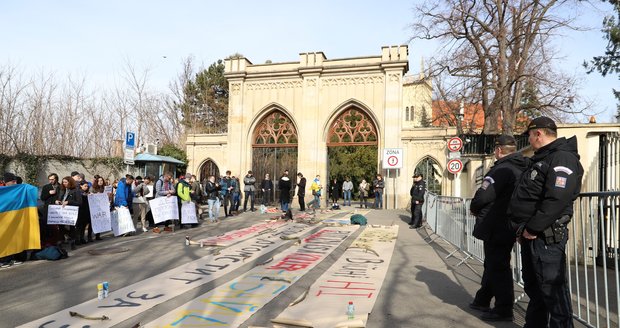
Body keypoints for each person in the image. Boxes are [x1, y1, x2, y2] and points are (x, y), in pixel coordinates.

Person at [509, 117, 583, 327]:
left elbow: (557, 198)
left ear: (538, 134)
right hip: (532, 234)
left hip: (545, 236)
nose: (529, 140)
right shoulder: (544, 157)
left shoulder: (562, 158)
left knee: (553, 290)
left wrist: (533, 227)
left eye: (530, 136)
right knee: (536, 288)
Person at [468, 135, 529, 322]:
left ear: (499, 150)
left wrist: (474, 207)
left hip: (497, 224)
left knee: (498, 266)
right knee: (494, 264)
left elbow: (484, 196)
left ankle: (504, 308)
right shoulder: (522, 166)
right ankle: (483, 298)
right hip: (509, 223)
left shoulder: (502, 169)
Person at [40, 173, 60, 244]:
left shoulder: (60, 186)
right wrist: (49, 193)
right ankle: (48, 239)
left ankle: (59, 239)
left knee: (58, 225)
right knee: (48, 224)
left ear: (56, 179)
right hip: (48, 208)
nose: (50, 181)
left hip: (58, 209)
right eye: (49, 179)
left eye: (52, 179)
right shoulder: (46, 187)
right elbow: (42, 198)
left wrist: (59, 201)